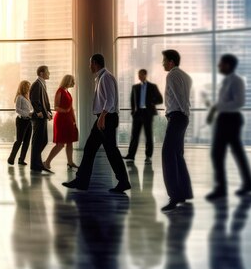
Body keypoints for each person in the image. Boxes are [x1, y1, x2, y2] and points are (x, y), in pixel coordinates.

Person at [63, 54, 131, 193]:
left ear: (95, 62)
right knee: (91, 148)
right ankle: (81, 181)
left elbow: (110, 100)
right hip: (105, 117)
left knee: (109, 151)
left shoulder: (105, 77)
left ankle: (123, 181)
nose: (89, 67)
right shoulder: (102, 77)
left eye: (90, 63)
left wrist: (102, 117)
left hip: (107, 118)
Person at [205, 54, 251, 200]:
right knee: (235, 152)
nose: (219, 66)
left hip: (231, 119)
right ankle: (248, 184)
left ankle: (222, 189)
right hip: (225, 118)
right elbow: (224, 101)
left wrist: (217, 107)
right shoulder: (226, 80)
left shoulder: (237, 81)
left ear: (228, 65)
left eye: (221, 64)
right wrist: (215, 108)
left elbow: (239, 102)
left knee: (217, 153)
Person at [159, 49, 193, 212]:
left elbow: (179, 97)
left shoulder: (172, 75)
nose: (163, 63)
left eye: (164, 60)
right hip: (182, 117)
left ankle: (175, 196)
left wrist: (180, 113)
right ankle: (185, 192)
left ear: (171, 61)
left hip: (178, 116)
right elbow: (185, 97)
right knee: (177, 155)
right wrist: (186, 114)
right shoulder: (186, 76)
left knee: (167, 154)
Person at [124, 69, 163, 163]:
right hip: (137, 114)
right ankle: (131, 155)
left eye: (141, 74)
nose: (139, 76)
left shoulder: (152, 86)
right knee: (134, 135)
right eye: (138, 74)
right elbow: (132, 101)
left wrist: (151, 102)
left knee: (148, 135)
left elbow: (160, 99)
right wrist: (133, 112)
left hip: (148, 113)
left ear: (145, 75)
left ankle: (148, 156)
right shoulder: (135, 87)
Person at [43, 74, 79, 171]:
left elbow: (71, 108)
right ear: (67, 81)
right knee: (60, 143)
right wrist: (65, 111)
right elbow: (56, 107)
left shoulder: (68, 92)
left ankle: (70, 163)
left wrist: (74, 121)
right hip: (62, 120)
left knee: (70, 142)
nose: (74, 83)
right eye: (72, 81)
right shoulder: (60, 91)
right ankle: (47, 162)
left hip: (69, 120)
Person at [29, 66, 53, 173]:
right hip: (38, 117)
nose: (49, 73)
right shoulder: (37, 84)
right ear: (42, 73)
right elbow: (34, 99)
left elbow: (45, 101)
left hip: (43, 116)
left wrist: (49, 112)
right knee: (38, 141)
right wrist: (38, 112)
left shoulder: (42, 84)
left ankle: (37, 163)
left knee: (43, 141)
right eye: (48, 72)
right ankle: (35, 164)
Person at [7, 80, 33, 166]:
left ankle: (21, 159)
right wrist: (27, 113)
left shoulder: (27, 97)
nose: (29, 88)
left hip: (28, 121)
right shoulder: (19, 97)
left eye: (29, 86)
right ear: (23, 87)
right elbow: (17, 110)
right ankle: (11, 158)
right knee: (19, 140)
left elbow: (30, 108)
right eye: (27, 86)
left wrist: (31, 113)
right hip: (21, 121)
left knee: (27, 141)